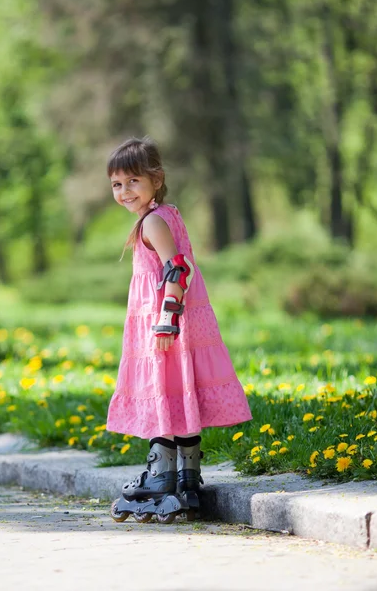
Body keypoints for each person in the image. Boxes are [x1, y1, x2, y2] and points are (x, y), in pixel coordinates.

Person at [106, 136, 252, 523]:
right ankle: (187, 478)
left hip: (165, 323)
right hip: (177, 321)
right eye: (117, 185)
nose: (124, 192)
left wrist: (166, 318)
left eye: (133, 181)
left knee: (162, 394)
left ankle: (160, 476)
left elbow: (178, 267)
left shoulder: (152, 221)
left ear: (156, 178)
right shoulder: (167, 214)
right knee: (177, 394)